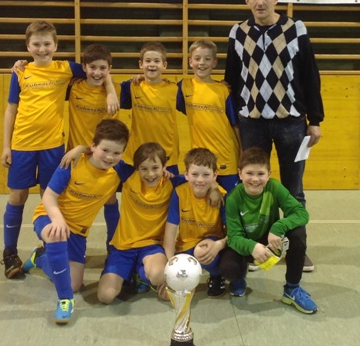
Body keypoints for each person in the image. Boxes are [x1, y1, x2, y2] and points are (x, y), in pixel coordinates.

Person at [0, 21, 117, 279]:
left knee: (49, 197)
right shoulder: (20, 72)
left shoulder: (65, 68)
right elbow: (11, 109)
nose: (42, 49)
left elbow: (97, 67)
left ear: (55, 46)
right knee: (17, 196)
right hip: (22, 145)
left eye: (47, 44)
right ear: (28, 46)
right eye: (36, 44)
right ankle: (9, 252)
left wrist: (110, 91)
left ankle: (48, 247)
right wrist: (6, 145)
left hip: (53, 147)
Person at [224, 0, 324, 272]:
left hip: (291, 122)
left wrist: (315, 120)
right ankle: (258, 250)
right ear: (247, 0)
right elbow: (232, 80)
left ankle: (296, 251)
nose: (260, 2)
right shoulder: (238, 33)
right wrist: (236, 119)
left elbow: (310, 75)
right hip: (252, 123)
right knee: (253, 187)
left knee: (294, 191)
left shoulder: (296, 29)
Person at [21, 118, 131, 324]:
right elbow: (49, 196)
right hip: (49, 217)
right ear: (93, 146)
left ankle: (40, 258)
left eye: (117, 153)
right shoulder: (72, 163)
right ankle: (65, 301)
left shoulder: (119, 170)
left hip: (78, 232)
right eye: (105, 150)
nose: (110, 157)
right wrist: (57, 220)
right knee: (56, 236)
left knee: (74, 284)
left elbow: (146, 170)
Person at [222, 147, 316, 314]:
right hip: (245, 241)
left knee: (298, 234)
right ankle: (239, 277)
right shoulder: (233, 198)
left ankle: (292, 289)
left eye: (260, 174)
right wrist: (252, 247)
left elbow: (302, 214)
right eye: (249, 173)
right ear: (240, 173)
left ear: (269, 174)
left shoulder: (274, 187)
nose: (255, 179)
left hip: (270, 239)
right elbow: (234, 237)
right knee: (228, 268)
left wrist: (278, 227)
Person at [97, 142, 175, 304]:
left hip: (151, 246)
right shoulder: (128, 175)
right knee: (105, 296)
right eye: (144, 169)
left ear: (164, 167)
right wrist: (79, 149)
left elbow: (197, 180)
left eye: (155, 168)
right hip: (123, 247)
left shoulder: (172, 182)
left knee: (159, 276)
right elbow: (106, 155)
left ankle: (140, 275)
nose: (150, 174)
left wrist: (214, 189)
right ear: (136, 168)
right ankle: (126, 270)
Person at [66, 43, 122, 250]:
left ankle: (113, 245)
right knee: (71, 203)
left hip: (105, 158)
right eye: (92, 67)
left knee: (110, 199)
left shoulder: (118, 90)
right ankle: (63, 244)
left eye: (103, 68)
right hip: (77, 157)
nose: (97, 72)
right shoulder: (73, 87)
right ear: (84, 67)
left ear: (110, 69)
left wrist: (110, 90)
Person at [176, 39, 241, 192]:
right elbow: (164, 93)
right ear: (190, 61)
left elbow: (236, 125)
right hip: (201, 161)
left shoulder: (223, 91)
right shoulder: (183, 87)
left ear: (214, 63)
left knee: (230, 202)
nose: (202, 63)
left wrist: (243, 154)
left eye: (207, 59)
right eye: (197, 58)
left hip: (226, 159)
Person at [163, 147, 228, 297]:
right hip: (185, 244)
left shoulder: (222, 196)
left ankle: (217, 275)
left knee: (201, 252)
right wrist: (170, 266)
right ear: (186, 174)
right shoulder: (179, 193)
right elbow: (170, 233)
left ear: (215, 175)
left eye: (206, 175)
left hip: (211, 243)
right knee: (161, 276)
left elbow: (233, 233)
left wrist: (219, 245)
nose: (200, 180)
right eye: (194, 174)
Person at [120, 42, 181, 175]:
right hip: (137, 156)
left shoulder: (174, 89)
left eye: (156, 61)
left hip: (167, 157)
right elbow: (108, 90)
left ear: (164, 65)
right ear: (140, 64)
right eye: (148, 61)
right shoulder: (132, 86)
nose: (152, 64)